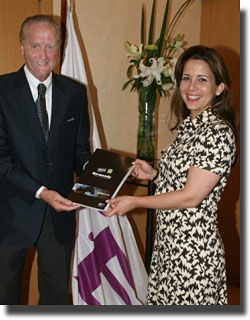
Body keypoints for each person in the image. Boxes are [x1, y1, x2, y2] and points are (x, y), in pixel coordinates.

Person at [105, 45, 237, 305]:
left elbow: (191, 197)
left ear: (219, 88)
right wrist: (153, 173)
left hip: (192, 256)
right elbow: (183, 180)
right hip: (169, 248)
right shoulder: (190, 127)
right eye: (186, 78)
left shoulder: (217, 132)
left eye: (202, 79)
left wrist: (136, 201)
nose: (191, 87)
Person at [0, 15, 90, 304]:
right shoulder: (1, 91)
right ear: (22, 47)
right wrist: (41, 192)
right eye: (36, 46)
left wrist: (102, 179)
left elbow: (80, 152)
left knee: (54, 300)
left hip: (59, 216)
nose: (43, 55)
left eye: (50, 46)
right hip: (10, 215)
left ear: (60, 48)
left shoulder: (75, 93)